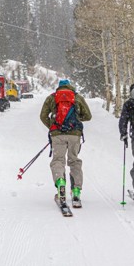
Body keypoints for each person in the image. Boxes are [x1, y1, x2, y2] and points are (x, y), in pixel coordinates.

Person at [39, 78, 92, 207]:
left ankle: (60, 182)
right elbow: (88, 116)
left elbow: (43, 116)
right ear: (70, 87)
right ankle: (76, 191)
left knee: (58, 160)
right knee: (74, 160)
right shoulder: (77, 97)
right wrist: (76, 121)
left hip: (57, 134)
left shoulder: (52, 98)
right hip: (74, 134)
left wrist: (53, 127)